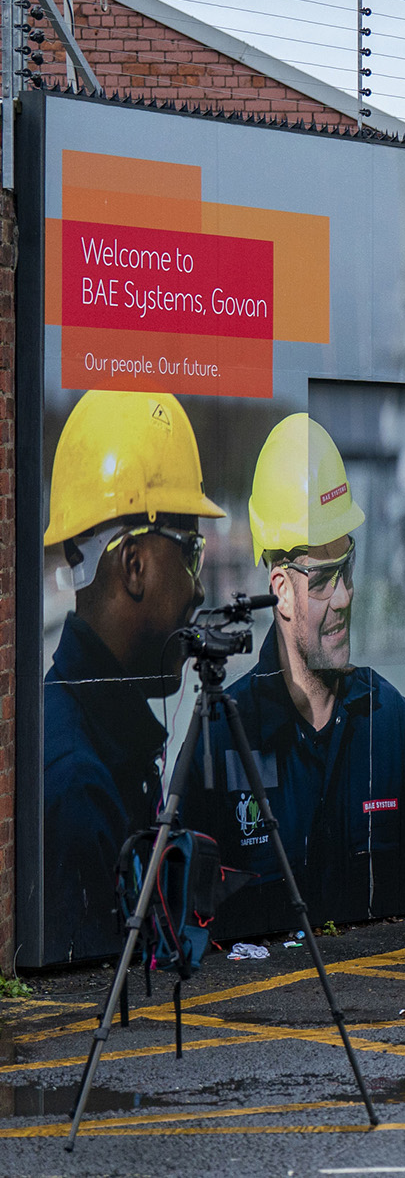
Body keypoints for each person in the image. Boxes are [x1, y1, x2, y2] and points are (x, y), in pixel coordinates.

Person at [186, 414, 405, 940]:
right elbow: (191, 932)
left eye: (347, 569)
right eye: (323, 581)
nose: (344, 596)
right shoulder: (222, 733)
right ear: (280, 589)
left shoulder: (388, 722)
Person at [41, 390, 227, 961]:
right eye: (192, 554)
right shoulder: (79, 784)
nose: (199, 587)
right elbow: (94, 994)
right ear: (135, 566)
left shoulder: (81, 732)